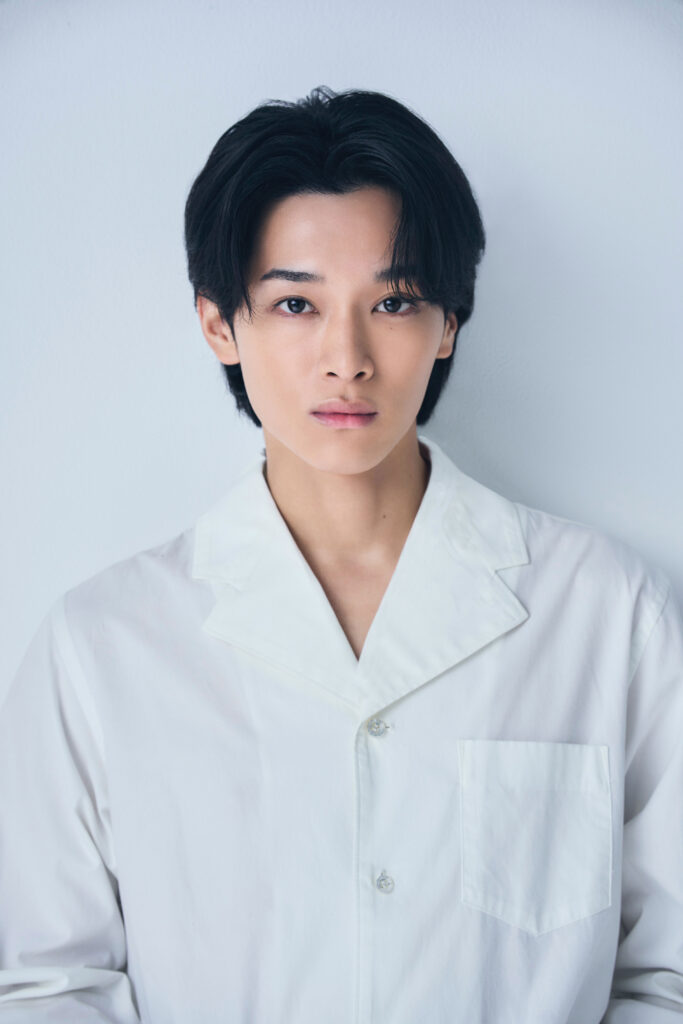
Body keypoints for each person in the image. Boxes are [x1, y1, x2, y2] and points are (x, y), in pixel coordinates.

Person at [0, 85, 681, 1024]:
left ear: (449, 322)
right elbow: (48, 985)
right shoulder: (102, 646)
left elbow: (666, 977)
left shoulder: (606, 612)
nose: (346, 357)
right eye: (295, 303)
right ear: (219, 324)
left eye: (393, 301)